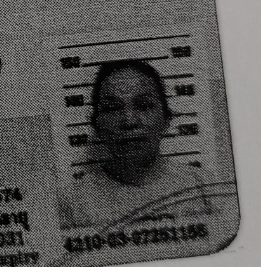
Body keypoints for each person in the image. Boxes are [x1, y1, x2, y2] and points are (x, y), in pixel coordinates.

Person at [61, 58, 211, 229]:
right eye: (112, 108)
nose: (129, 121)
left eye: (144, 106)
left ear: (166, 119)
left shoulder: (204, 187)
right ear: (97, 125)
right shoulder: (74, 203)